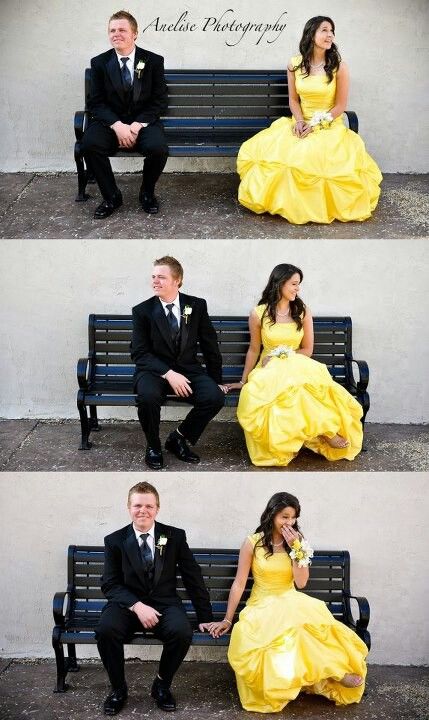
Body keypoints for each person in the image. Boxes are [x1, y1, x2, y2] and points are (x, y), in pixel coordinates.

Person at [206, 492, 368, 713]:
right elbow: (239, 582)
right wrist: (227, 619)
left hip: (290, 599)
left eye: (293, 518)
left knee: (304, 630)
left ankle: (336, 672)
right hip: (262, 604)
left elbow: (301, 583)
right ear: (272, 514)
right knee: (284, 635)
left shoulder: (298, 542)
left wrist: (297, 549)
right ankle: (312, 677)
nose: (289, 522)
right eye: (284, 516)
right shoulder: (252, 542)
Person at [237, 16, 382, 224]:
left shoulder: (339, 67)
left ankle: (312, 207)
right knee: (284, 156)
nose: (330, 34)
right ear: (311, 34)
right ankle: (285, 203)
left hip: (329, 125)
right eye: (324, 30)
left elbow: (340, 106)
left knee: (311, 154)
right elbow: (293, 100)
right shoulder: (294, 64)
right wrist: (298, 121)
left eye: (332, 30)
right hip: (300, 122)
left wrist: (315, 125)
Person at [225, 263, 363, 466]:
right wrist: (243, 380)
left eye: (299, 284)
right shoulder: (259, 313)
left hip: (297, 365)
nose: (297, 289)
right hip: (267, 369)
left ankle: (325, 432)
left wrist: (285, 356)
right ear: (280, 283)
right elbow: (254, 349)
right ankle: (297, 440)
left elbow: (307, 349)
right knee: (285, 393)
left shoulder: (303, 311)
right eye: (294, 284)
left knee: (301, 389)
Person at [96, 481, 215, 714]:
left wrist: (205, 616)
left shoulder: (174, 536)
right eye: (138, 505)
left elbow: (193, 577)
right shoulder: (114, 541)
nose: (143, 510)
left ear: (157, 508)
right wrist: (137, 606)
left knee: (182, 632)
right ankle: (118, 689)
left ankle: (161, 684)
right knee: (105, 630)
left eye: (149, 506)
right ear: (128, 507)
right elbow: (109, 584)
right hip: (127, 605)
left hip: (165, 604)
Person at [131, 256, 227, 469]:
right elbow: (139, 353)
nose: (155, 281)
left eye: (161, 277)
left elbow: (210, 345)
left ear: (177, 280)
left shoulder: (195, 306)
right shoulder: (142, 311)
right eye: (153, 277)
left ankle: (179, 438)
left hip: (189, 369)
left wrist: (215, 380)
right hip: (153, 371)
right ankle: (154, 446)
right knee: (147, 397)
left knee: (214, 397)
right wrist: (168, 373)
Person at [81, 10, 169, 218]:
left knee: (158, 148)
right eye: (112, 30)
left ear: (135, 34)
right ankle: (111, 197)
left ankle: (147, 193)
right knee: (89, 144)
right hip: (110, 124)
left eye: (122, 29)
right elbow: (96, 102)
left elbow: (159, 100)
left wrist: (138, 124)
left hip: (143, 123)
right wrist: (117, 125)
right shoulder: (99, 63)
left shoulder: (153, 61)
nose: (116, 34)